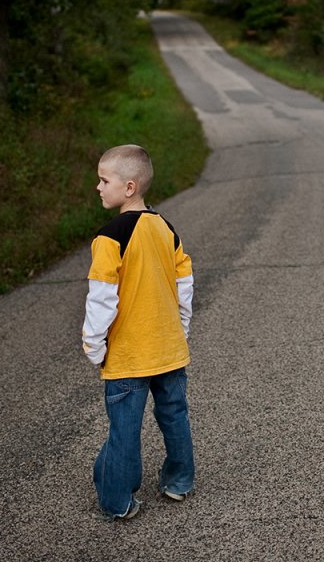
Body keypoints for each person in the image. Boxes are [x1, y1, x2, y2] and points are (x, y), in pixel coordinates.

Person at [82, 144, 195, 519]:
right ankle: (179, 480)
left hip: (130, 354)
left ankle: (117, 500)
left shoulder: (109, 236)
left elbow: (102, 297)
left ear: (128, 187)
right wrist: (180, 329)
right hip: (168, 348)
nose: (98, 187)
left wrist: (94, 345)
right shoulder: (166, 228)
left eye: (104, 180)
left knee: (124, 431)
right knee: (174, 416)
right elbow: (185, 284)